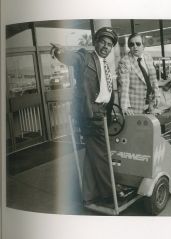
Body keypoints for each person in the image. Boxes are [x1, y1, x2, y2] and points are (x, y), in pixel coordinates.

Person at [50, 27, 119, 205]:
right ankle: (109, 194)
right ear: (95, 42)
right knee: (103, 153)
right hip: (91, 113)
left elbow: (106, 89)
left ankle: (89, 194)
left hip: (103, 112)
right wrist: (60, 52)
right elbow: (71, 58)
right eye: (103, 42)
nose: (106, 46)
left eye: (110, 44)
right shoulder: (85, 56)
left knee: (93, 154)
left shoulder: (104, 64)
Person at [118, 33, 160, 115]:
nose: (135, 46)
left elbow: (153, 79)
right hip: (134, 106)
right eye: (131, 44)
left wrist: (157, 95)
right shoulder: (124, 61)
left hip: (150, 103)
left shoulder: (148, 57)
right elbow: (124, 85)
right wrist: (126, 106)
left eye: (138, 43)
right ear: (129, 47)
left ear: (143, 45)